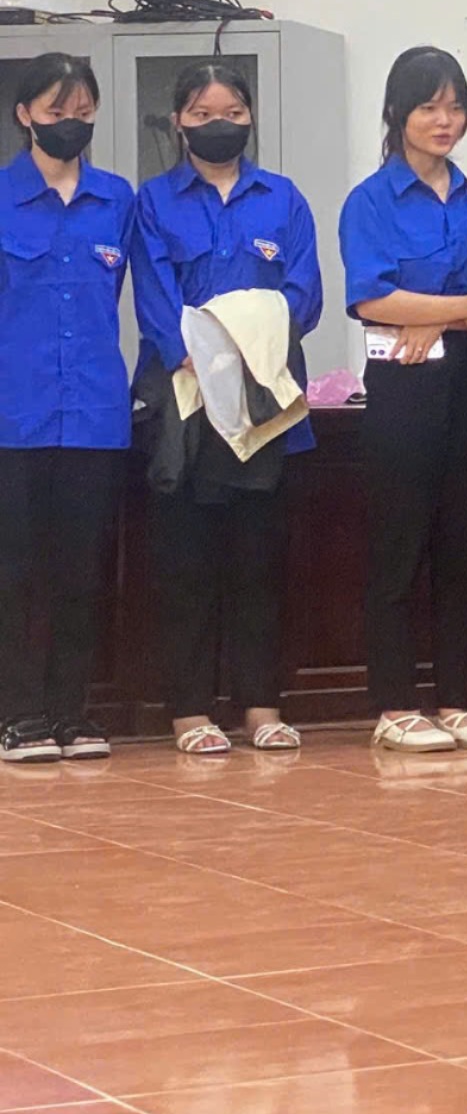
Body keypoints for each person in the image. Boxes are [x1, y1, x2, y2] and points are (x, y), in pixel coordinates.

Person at [133, 62, 323, 756]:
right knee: (186, 566)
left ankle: (260, 705)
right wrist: (202, 352)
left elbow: (304, 291)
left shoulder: (284, 198)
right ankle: (189, 709)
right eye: (205, 112)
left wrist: (249, 350)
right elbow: (155, 299)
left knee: (258, 562)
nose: (220, 123)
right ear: (179, 121)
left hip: (266, 402)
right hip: (185, 404)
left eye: (234, 112)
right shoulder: (153, 201)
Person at [343, 46, 467, 754]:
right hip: (401, 379)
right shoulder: (371, 200)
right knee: (400, 542)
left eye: (455, 105)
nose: (445, 120)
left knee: (463, 540)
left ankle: (456, 698)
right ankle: (394, 702)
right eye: (429, 105)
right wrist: (454, 307)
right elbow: (372, 297)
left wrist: (440, 313)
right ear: (397, 113)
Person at [0, 54, 138, 764]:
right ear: (25, 114)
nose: (71, 124)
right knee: (17, 570)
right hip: (14, 416)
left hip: (93, 413)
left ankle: (72, 712)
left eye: (83, 111)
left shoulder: (117, 200)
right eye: (57, 112)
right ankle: (19, 713)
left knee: (83, 571)